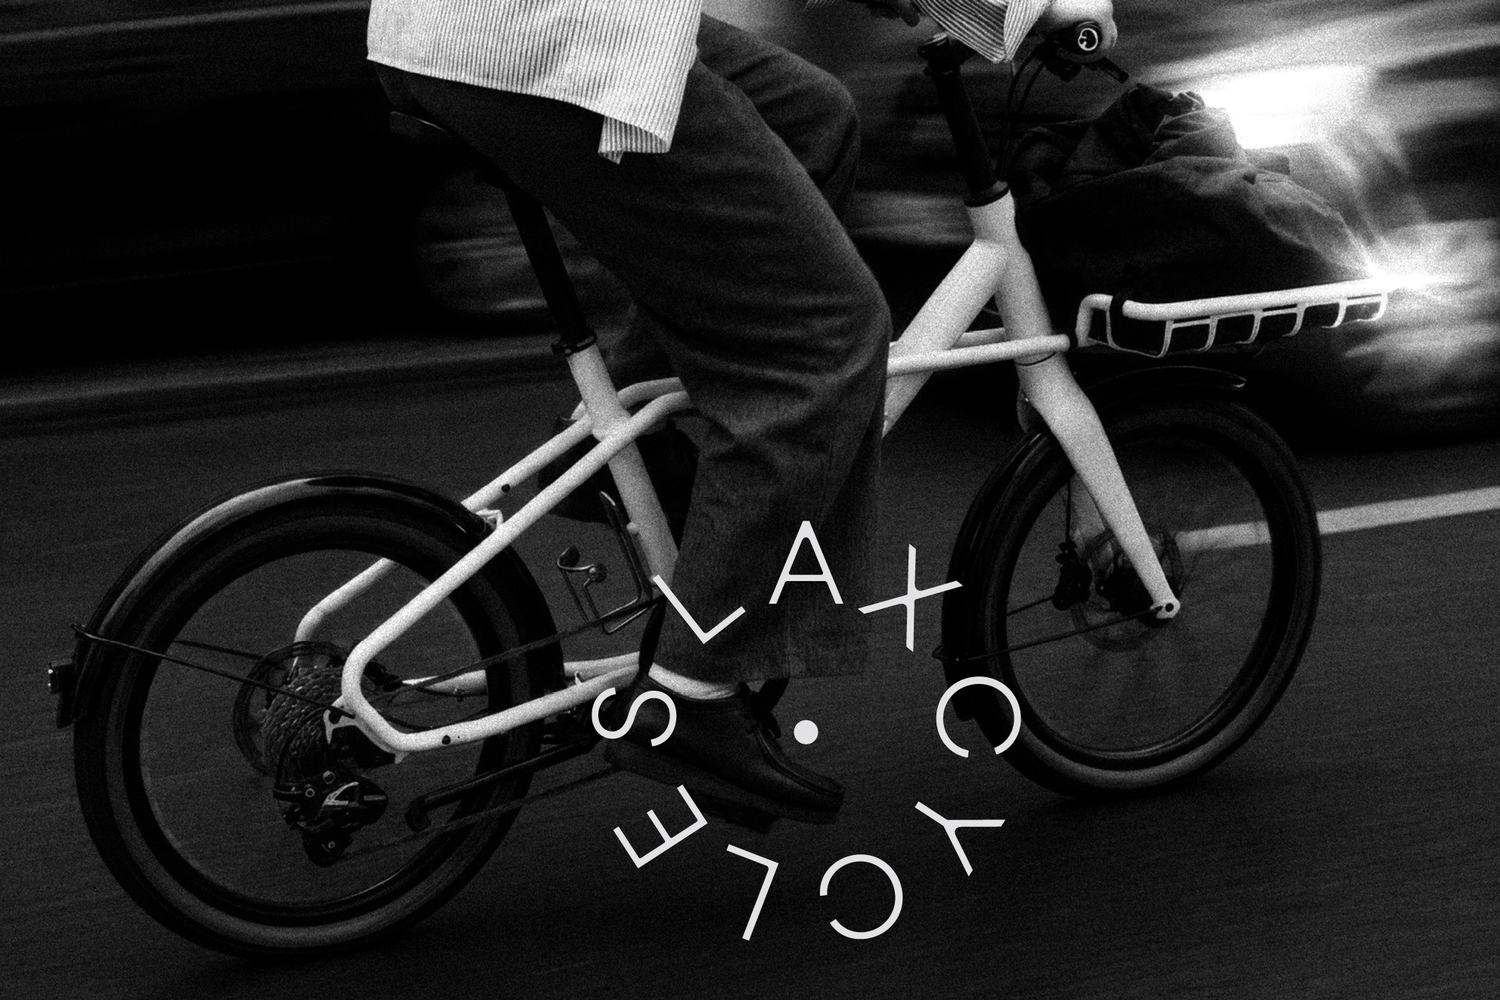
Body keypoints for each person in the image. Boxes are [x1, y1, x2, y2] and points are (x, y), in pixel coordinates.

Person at [366, 0, 1104, 825]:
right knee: (827, 337)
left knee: (813, 119)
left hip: (474, 28)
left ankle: (624, 443)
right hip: (551, 43)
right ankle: (689, 694)